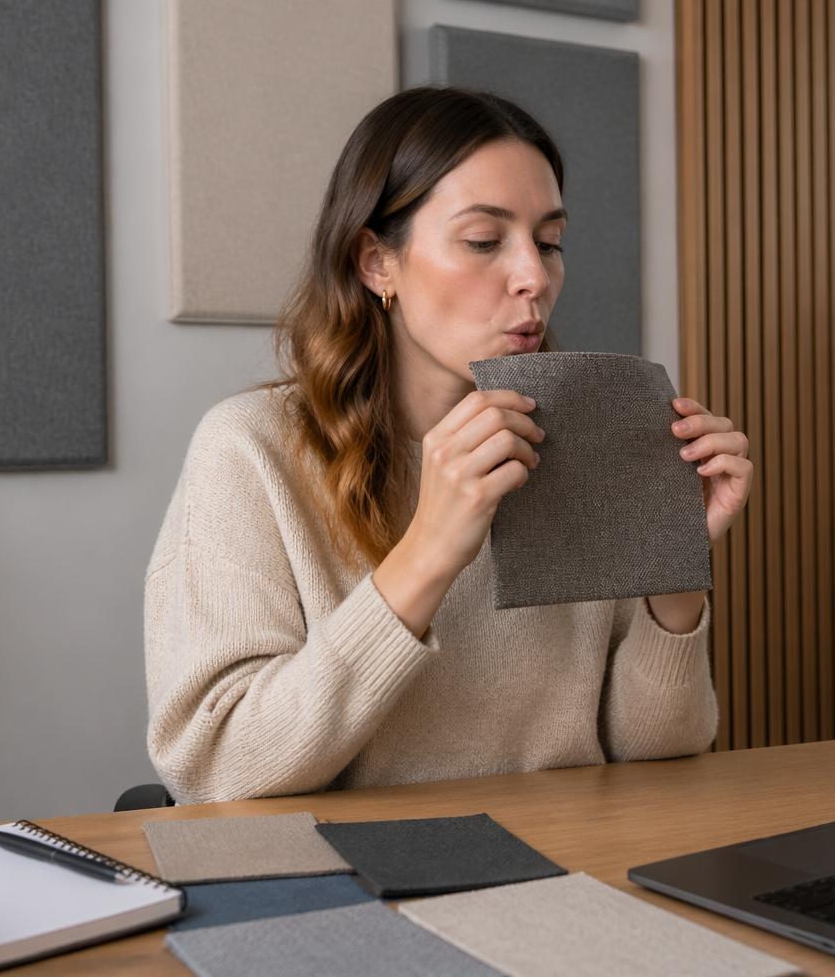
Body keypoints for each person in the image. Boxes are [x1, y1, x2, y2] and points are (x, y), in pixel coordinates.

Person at [145, 87, 753, 804]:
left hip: (566, 869)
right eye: (484, 241)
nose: (534, 275)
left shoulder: (585, 436)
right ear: (378, 263)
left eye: (550, 241)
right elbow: (214, 770)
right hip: (358, 883)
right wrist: (430, 551)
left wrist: (672, 567)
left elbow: (659, 751)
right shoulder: (251, 451)